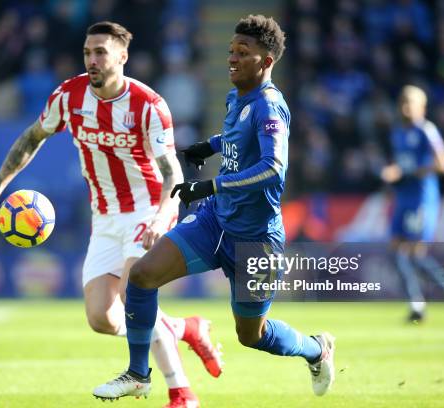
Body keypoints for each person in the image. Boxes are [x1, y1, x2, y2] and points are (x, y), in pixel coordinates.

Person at [0, 21, 223, 408]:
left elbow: (172, 170)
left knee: (133, 291)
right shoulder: (68, 96)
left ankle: (181, 393)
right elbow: (31, 138)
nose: (92, 60)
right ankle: (183, 327)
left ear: (122, 57)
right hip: (104, 216)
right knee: (102, 319)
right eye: (88, 52)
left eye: (101, 52)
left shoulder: (148, 104)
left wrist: (161, 216)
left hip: (146, 206)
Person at [93, 15, 335, 402]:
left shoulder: (270, 107)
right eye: (231, 52)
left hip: (256, 240)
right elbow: (239, 134)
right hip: (214, 221)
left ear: (266, 61)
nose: (233, 59)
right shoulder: (236, 96)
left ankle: (316, 350)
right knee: (141, 276)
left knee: (250, 335)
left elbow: (273, 169)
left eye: (244, 53)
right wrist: (211, 145)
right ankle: (139, 374)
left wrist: (211, 184)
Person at [380, 85, 444, 323]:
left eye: (411, 103)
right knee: (397, 253)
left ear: (422, 107)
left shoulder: (426, 130)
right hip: (403, 198)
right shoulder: (397, 132)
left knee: (415, 255)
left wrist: (406, 170)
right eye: (403, 102)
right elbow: (401, 164)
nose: (406, 107)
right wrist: (394, 178)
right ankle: (419, 303)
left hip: (421, 199)